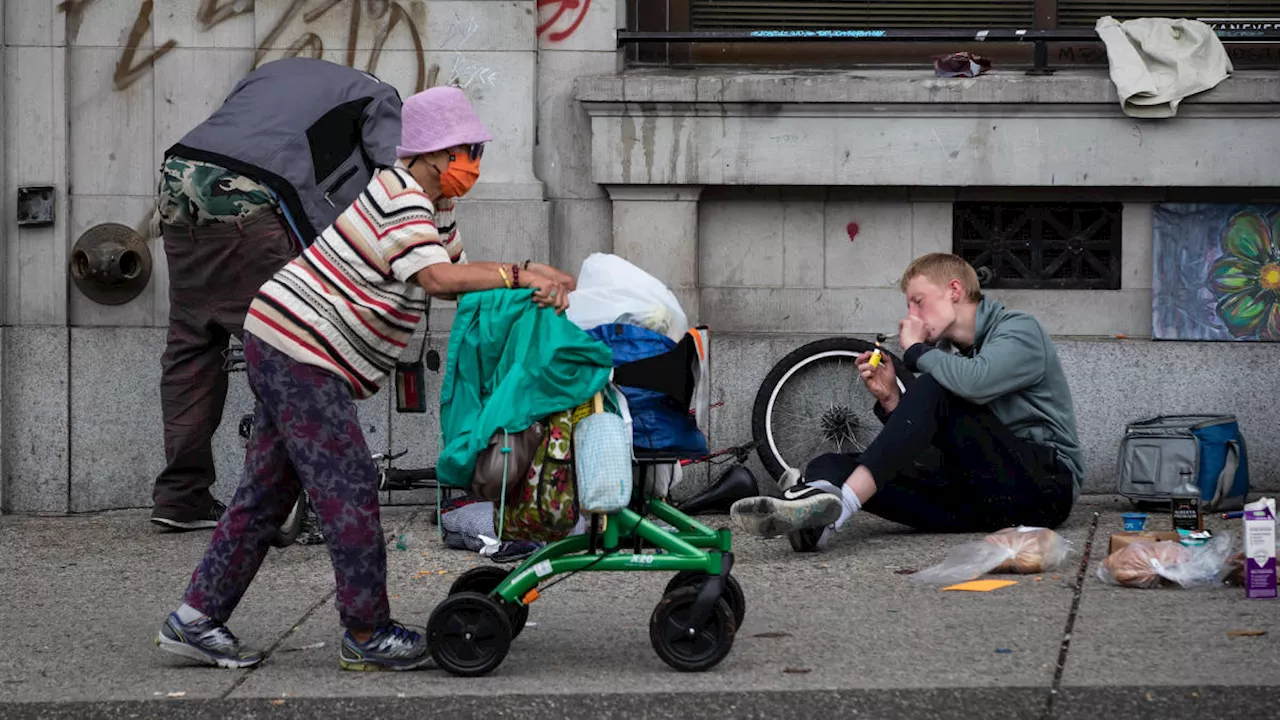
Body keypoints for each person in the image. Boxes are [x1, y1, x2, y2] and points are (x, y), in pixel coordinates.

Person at [155, 86, 578, 672]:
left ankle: (194, 619)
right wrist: (523, 272)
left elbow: (452, 267)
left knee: (264, 494)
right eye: (466, 151)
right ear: (432, 154)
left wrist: (506, 274)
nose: (474, 164)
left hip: (284, 342)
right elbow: (435, 279)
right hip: (301, 352)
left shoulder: (424, 208)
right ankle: (367, 631)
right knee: (350, 491)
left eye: (476, 151)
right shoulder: (401, 197)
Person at [150, 58, 404, 532]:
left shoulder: (274, 70)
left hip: (178, 177)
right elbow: (394, 179)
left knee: (193, 338)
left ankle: (180, 497)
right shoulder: (380, 96)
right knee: (286, 348)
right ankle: (281, 499)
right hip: (250, 194)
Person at [731, 252, 1083, 552]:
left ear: (955, 291)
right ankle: (810, 509)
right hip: (981, 495)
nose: (911, 314)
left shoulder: (1019, 331)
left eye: (919, 301)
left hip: (1043, 490)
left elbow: (976, 382)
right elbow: (932, 451)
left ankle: (835, 514)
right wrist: (892, 401)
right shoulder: (949, 358)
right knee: (831, 465)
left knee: (933, 387)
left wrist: (917, 351)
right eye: (909, 305)